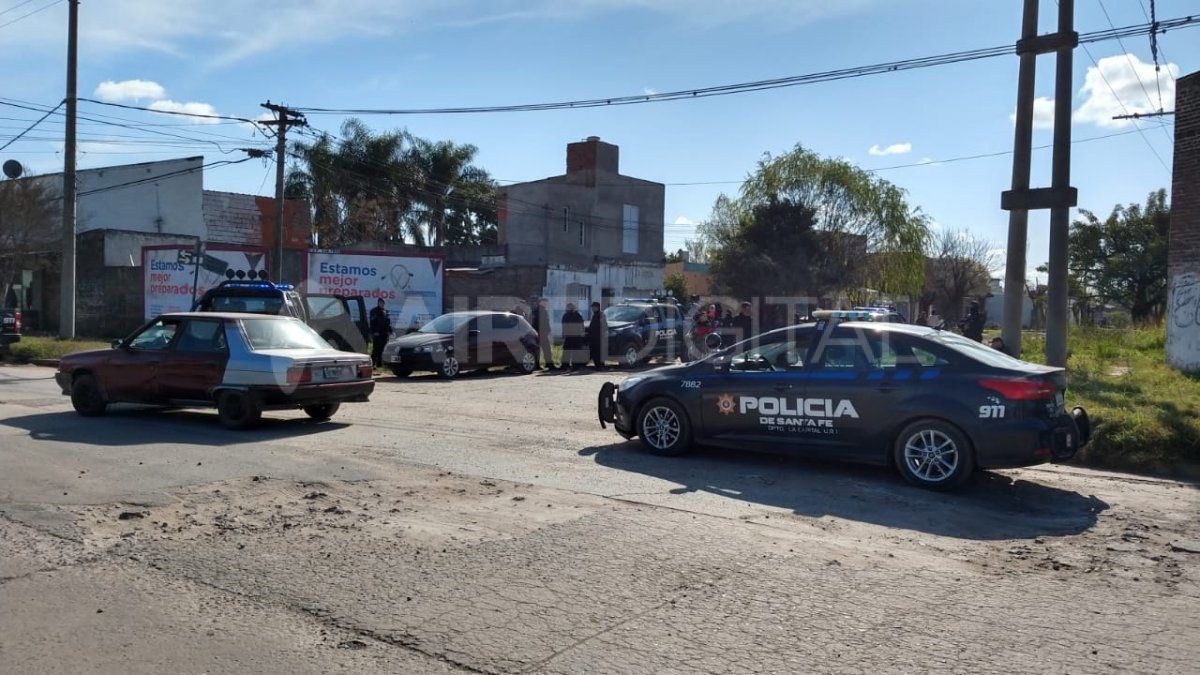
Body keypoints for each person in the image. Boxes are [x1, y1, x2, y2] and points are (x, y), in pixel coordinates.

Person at [530, 297, 556, 370]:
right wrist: (547, 331)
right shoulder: (541, 311)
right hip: (541, 333)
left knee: (539, 349)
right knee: (546, 349)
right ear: (541, 302)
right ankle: (549, 364)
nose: (547, 304)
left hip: (539, 332)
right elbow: (542, 323)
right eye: (545, 302)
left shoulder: (537, 310)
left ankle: (538, 365)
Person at [368, 298, 392, 368]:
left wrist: (390, 331)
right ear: (378, 303)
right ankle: (372, 363)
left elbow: (388, 323)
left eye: (383, 303)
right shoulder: (374, 311)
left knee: (383, 348)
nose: (382, 304)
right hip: (377, 333)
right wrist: (374, 332)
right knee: (376, 349)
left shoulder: (386, 311)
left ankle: (380, 364)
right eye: (381, 303)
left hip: (384, 333)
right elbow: (372, 322)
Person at [560, 302, 585, 370]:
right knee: (568, 351)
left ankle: (573, 366)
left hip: (574, 336)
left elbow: (581, 324)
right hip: (571, 336)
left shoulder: (576, 315)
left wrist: (582, 332)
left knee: (572, 351)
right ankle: (568, 365)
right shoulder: (568, 315)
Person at [586, 301, 608, 370]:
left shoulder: (601, 315)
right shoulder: (595, 315)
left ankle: (600, 366)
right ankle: (597, 365)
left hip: (599, 337)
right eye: (592, 307)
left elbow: (604, 325)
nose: (592, 308)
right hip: (594, 337)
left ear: (597, 307)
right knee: (594, 351)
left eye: (593, 307)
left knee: (598, 352)